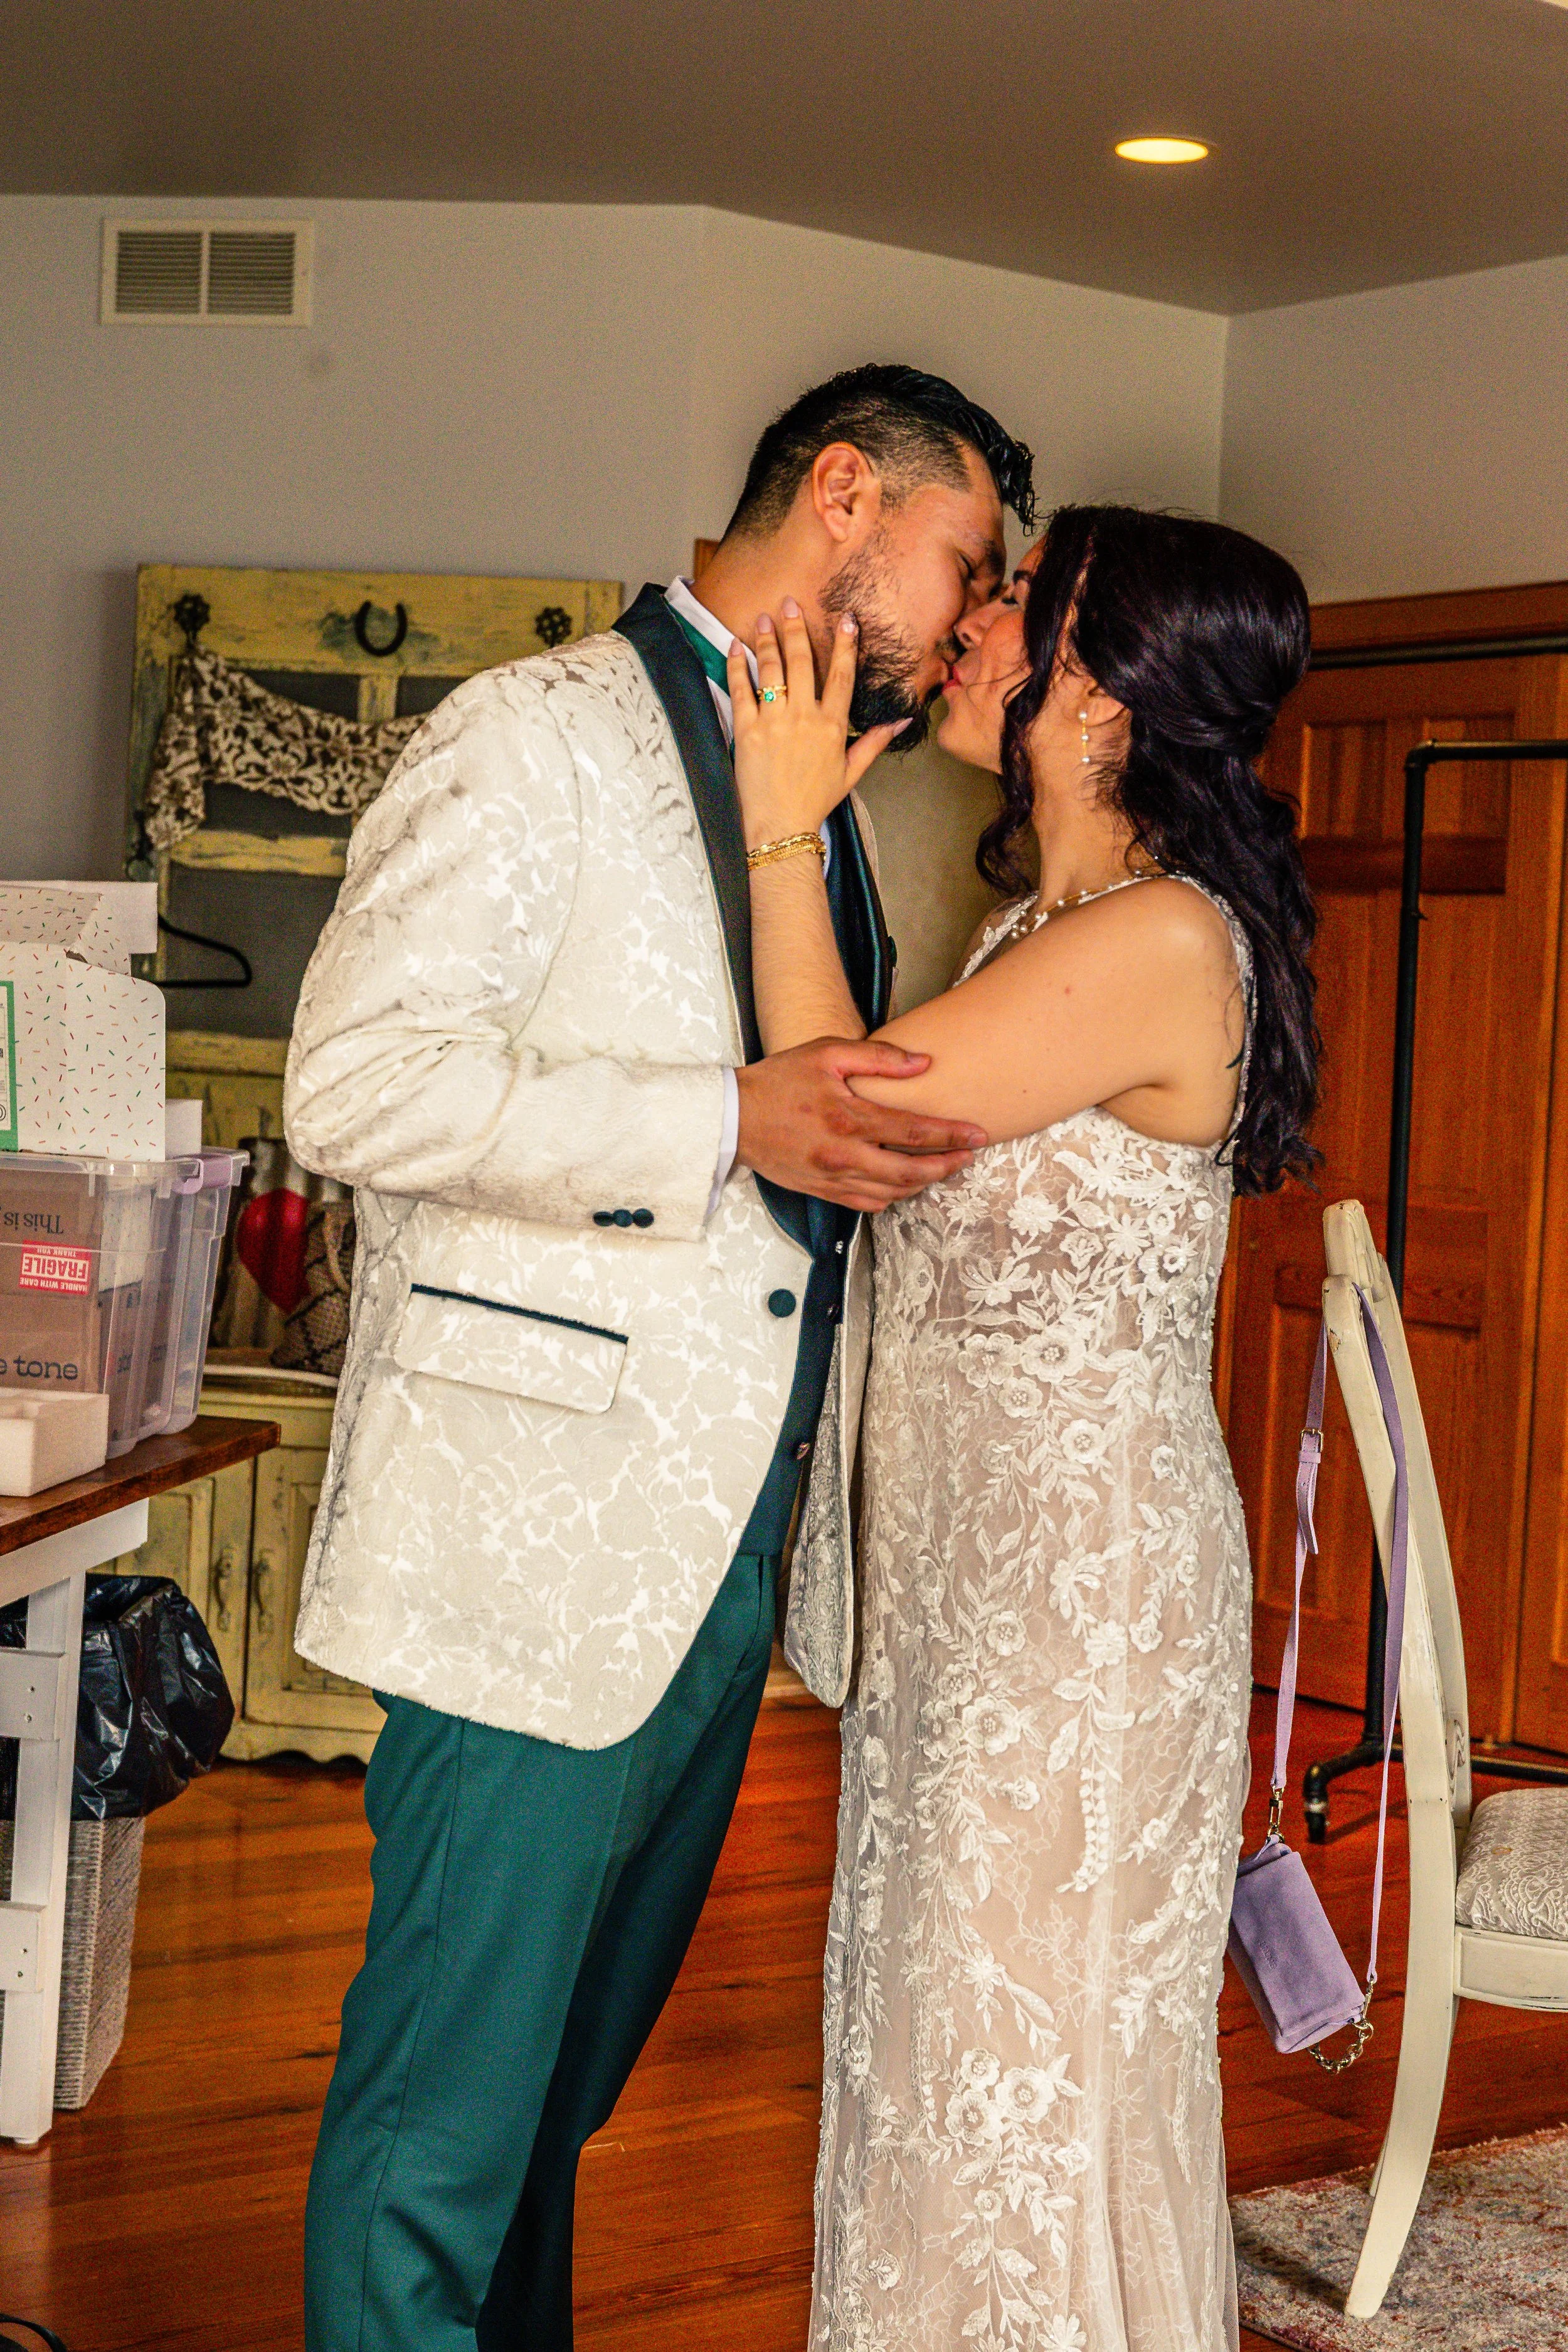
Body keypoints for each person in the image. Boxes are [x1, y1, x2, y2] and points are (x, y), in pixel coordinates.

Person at [281, 363, 1036, 2352]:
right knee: (443, 2127)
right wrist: (724, 1116)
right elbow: (356, 1085)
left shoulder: (831, 805)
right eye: (966, 565)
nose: (969, 622)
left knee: (554, 2113)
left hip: (715, 1559)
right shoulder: (527, 736)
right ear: (848, 497)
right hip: (534, 1544)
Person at [729, 504, 1319, 2352]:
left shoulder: (1155, 938)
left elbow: (850, 1112)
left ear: (1104, 689)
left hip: (1071, 1608)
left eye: (1019, 611)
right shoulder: (1027, 922)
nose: (973, 633)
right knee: (939, 2040)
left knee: (1019, 2055)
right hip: (974, 1591)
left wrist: (779, 809)